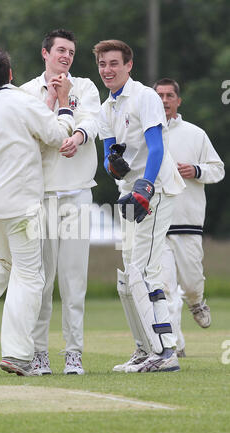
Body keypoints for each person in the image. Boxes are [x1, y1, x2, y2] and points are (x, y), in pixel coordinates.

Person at [0, 45, 75, 377]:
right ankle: (17, 354)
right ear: (10, 73)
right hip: (21, 205)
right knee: (29, 275)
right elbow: (56, 136)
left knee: (0, 261)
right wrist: (64, 106)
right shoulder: (23, 102)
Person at [93, 39, 185, 373]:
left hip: (155, 190)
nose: (108, 70)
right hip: (128, 195)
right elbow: (107, 155)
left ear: (128, 65)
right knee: (128, 276)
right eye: (103, 64)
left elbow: (157, 147)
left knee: (144, 272)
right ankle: (145, 348)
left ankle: (165, 352)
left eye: (114, 63)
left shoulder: (145, 96)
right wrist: (111, 164)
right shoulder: (106, 109)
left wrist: (145, 184)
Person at [20, 29, 100, 375]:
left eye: (71, 51)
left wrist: (79, 136)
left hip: (78, 192)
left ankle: (74, 354)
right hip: (42, 195)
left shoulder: (85, 87)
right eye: (61, 51)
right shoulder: (25, 93)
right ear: (45, 53)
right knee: (41, 281)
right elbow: (32, 134)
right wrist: (55, 103)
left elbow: (93, 122)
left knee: (73, 281)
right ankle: (39, 354)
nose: (66, 56)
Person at [153, 77, 225, 356]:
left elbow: (218, 169)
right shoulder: (146, 133)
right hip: (158, 224)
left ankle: (197, 302)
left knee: (191, 284)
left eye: (169, 95)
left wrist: (196, 170)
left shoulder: (195, 134)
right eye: (159, 95)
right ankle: (175, 345)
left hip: (189, 222)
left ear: (178, 100)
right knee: (166, 289)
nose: (164, 101)